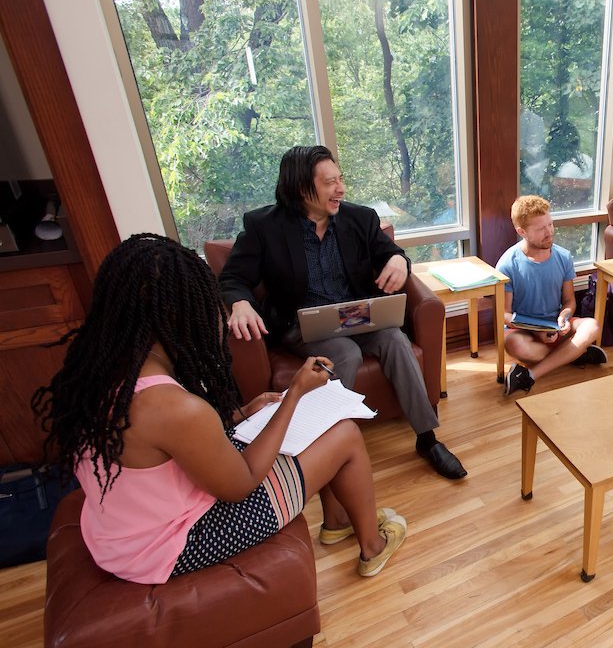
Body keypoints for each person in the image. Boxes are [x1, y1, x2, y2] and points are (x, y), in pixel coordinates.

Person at [32, 234, 408, 583]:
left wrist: (240, 415)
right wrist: (294, 393)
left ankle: (339, 520)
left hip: (123, 534)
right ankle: (373, 547)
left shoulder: (103, 371)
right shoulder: (173, 406)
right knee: (343, 433)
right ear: (178, 318)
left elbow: (166, 445)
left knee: (314, 430)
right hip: (175, 543)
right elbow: (240, 485)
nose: (217, 318)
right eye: (208, 306)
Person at [218, 145, 466, 480]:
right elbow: (232, 277)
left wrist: (398, 260)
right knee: (344, 353)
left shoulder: (360, 218)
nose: (341, 188)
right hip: (304, 323)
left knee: (395, 338)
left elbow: (389, 251)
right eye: (329, 182)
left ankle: (427, 437)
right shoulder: (264, 226)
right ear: (300, 188)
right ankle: (328, 442)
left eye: (341, 179)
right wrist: (240, 301)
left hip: (356, 315)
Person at [499, 195, 605, 395]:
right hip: (523, 330)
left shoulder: (563, 257)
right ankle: (575, 353)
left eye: (550, 224)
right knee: (513, 344)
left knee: (592, 325)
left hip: (556, 326)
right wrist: (538, 330)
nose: (549, 232)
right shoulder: (507, 264)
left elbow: (569, 301)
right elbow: (505, 314)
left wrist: (564, 316)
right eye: (540, 229)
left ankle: (530, 374)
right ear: (521, 232)